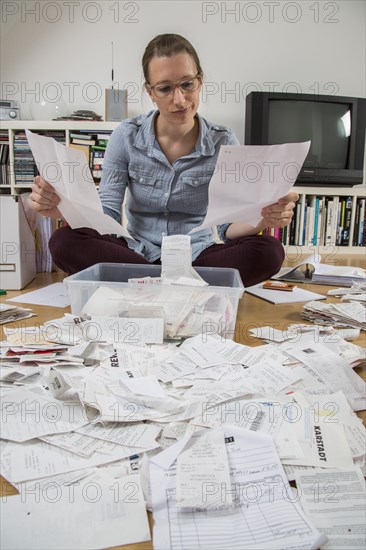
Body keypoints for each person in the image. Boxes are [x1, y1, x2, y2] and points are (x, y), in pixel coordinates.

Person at [29, 33, 298, 287]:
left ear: (200, 80)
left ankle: (143, 285)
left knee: (269, 251)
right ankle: (179, 286)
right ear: (150, 92)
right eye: (165, 88)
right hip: (136, 252)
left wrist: (264, 219)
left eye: (187, 84)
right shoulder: (126, 135)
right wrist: (64, 210)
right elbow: (108, 216)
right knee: (63, 242)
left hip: (198, 255)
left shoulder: (224, 140)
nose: (179, 99)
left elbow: (229, 229)